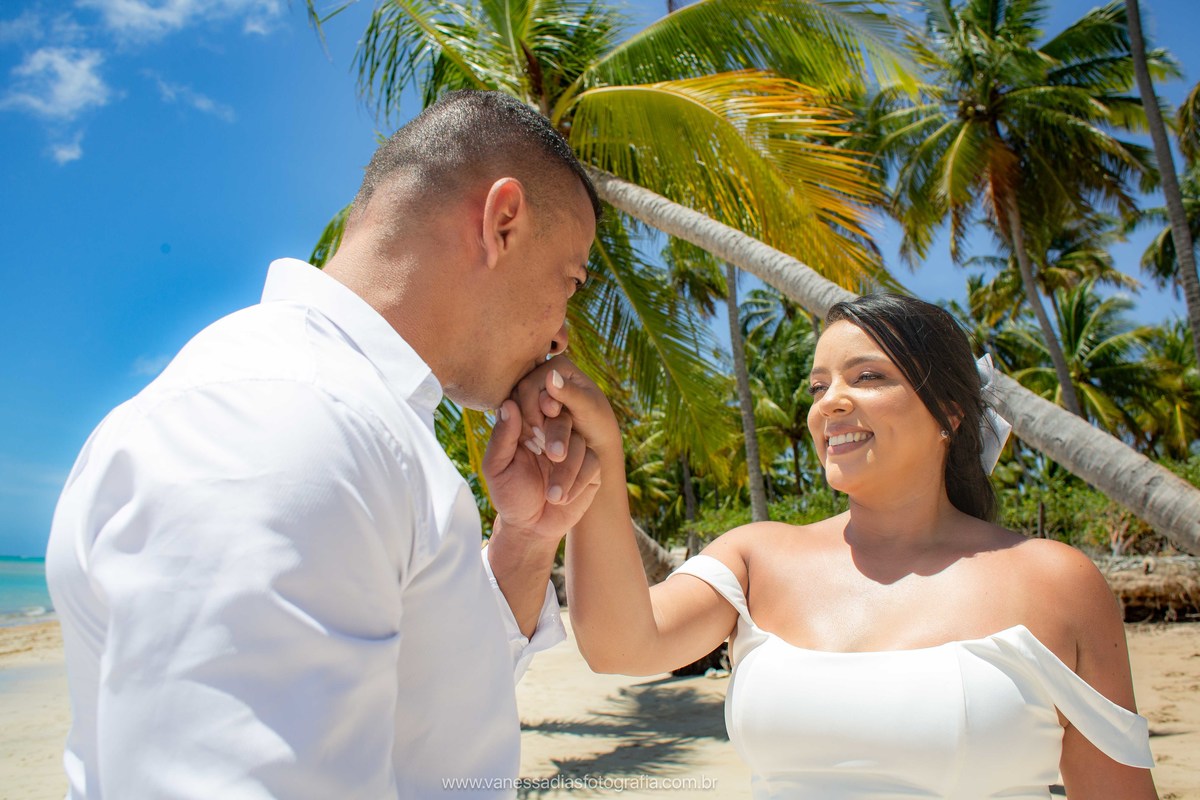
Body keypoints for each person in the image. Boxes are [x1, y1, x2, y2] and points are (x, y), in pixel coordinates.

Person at [45, 90, 603, 799]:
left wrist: (525, 540)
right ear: (502, 223)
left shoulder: (324, 412)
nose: (561, 332)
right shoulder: (283, 420)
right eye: (570, 281)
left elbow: (422, 717)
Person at [512, 293, 1157, 799]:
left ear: (950, 414)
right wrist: (599, 456)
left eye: (867, 376)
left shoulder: (1055, 582)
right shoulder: (756, 558)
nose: (830, 404)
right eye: (819, 386)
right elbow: (619, 645)